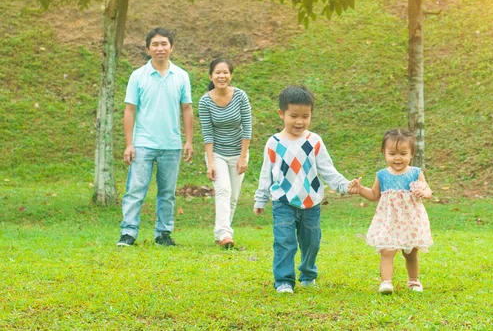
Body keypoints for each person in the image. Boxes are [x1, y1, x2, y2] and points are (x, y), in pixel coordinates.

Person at [253, 85, 352, 294]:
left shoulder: (314, 141)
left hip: (311, 202)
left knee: (312, 242)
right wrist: (260, 199)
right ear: (282, 114)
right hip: (283, 201)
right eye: (294, 116)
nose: (299, 121)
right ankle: (284, 281)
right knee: (284, 242)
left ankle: (308, 274)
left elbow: (327, 170)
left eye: (305, 116)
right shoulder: (274, 143)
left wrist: (345, 186)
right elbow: (266, 173)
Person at [117, 27, 194, 247]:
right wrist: (129, 144)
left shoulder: (181, 76)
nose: (160, 48)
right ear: (148, 48)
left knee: (167, 193)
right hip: (142, 144)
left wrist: (188, 141)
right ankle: (128, 232)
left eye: (164, 44)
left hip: (171, 145)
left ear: (171, 47)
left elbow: (187, 108)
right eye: (155, 44)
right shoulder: (138, 76)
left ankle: (163, 233)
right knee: (135, 190)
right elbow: (129, 110)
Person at [349, 128, 433, 294]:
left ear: (411, 153)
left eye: (403, 153)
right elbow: (374, 195)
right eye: (392, 153)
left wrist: (424, 192)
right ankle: (386, 282)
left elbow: (428, 191)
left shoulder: (416, 173)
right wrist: (360, 189)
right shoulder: (382, 175)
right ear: (384, 152)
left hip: (410, 220)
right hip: (389, 220)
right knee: (387, 250)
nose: (397, 158)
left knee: (411, 252)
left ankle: (414, 281)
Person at [198, 58, 252, 249]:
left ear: (231, 75)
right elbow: (207, 133)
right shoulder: (205, 101)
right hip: (217, 153)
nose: (222, 76)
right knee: (223, 190)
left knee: (234, 196)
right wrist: (210, 162)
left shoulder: (240, 96)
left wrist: (243, 156)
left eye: (225, 72)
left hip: (238, 152)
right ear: (210, 76)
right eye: (217, 73)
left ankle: (220, 233)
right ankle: (226, 234)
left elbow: (247, 127)